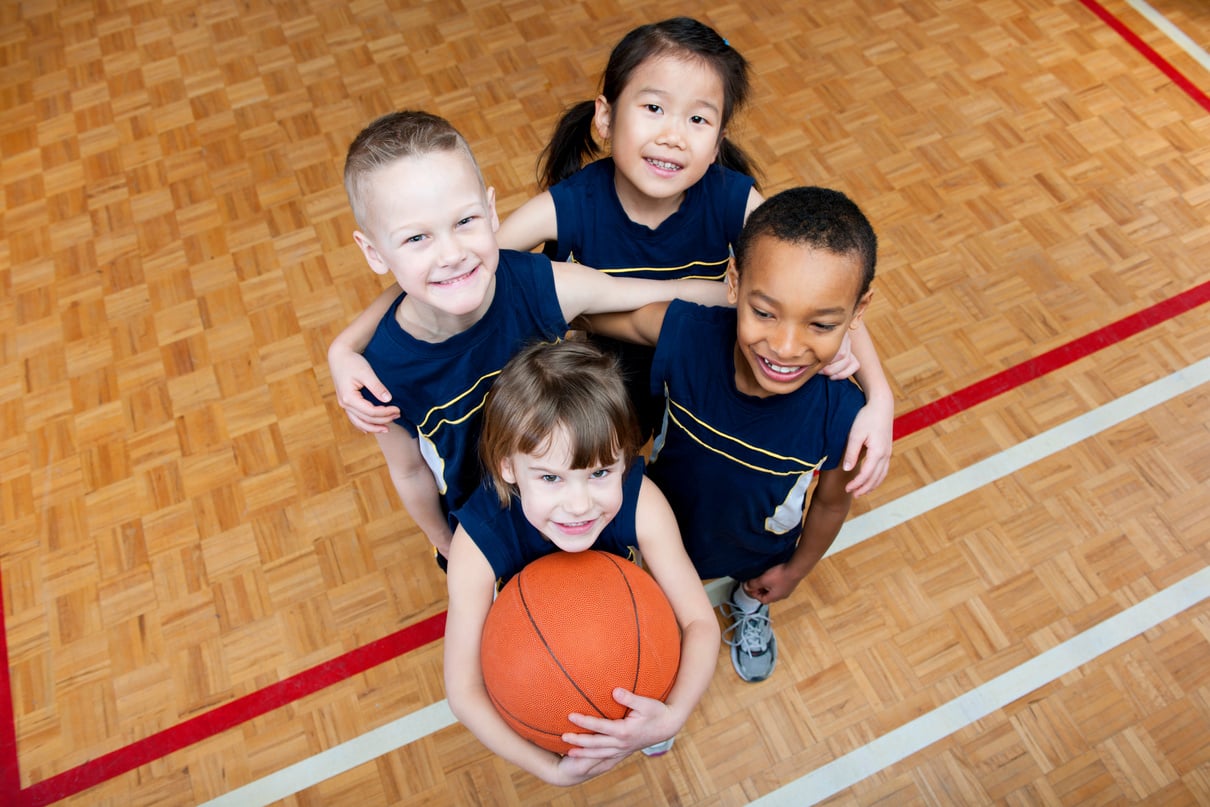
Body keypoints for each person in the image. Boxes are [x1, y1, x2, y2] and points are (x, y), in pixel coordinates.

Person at [327, 17, 893, 497]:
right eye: (653, 107)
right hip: (606, 385)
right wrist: (346, 345)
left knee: (699, 487)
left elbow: (820, 280)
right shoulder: (566, 205)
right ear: (605, 117)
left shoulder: (733, 197)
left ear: (717, 140)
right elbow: (455, 265)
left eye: (698, 119)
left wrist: (879, 395)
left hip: (703, 370)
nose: (674, 135)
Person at [338, 110, 727, 565]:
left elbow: (668, 292)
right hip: (492, 534)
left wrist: (773, 306)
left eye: (465, 222)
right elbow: (409, 472)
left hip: (583, 505)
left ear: (491, 210)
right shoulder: (379, 373)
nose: (451, 254)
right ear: (372, 251)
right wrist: (450, 546)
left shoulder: (541, 287)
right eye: (417, 238)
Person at [583, 186, 879, 683]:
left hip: (760, 551)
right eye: (765, 312)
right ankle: (659, 673)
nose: (785, 347)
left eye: (822, 324)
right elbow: (607, 315)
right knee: (660, 607)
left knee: (758, 584)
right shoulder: (689, 334)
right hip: (664, 535)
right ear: (735, 282)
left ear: (858, 312)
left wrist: (795, 571)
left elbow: (829, 505)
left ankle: (749, 604)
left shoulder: (846, 416)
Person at [443, 340, 719, 785]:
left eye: (600, 473)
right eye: (551, 478)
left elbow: (699, 623)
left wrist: (673, 714)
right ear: (507, 466)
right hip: (537, 658)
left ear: (624, 458)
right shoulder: (476, 543)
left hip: (626, 639)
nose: (579, 505)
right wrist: (550, 769)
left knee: (653, 687)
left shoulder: (641, 501)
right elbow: (463, 690)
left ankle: (646, 721)